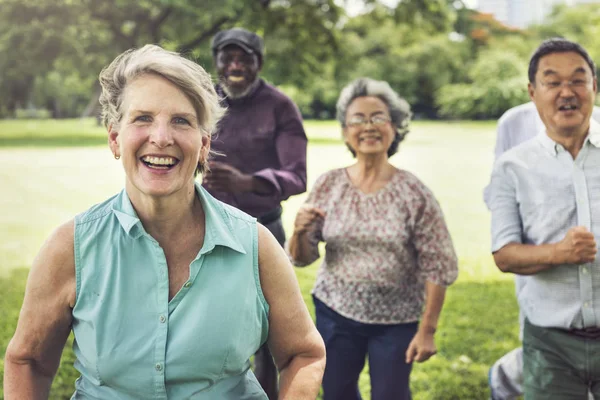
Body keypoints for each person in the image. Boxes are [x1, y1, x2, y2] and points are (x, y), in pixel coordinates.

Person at [3, 44, 325, 399]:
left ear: (203, 145)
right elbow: (29, 361)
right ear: (115, 138)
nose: (161, 137)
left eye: (181, 120)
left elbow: (303, 353)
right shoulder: (71, 247)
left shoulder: (255, 246)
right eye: (142, 118)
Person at [287, 77, 459, 400]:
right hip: (335, 312)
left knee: (390, 395)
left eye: (378, 117)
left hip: (397, 320)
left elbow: (440, 265)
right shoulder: (329, 184)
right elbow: (301, 257)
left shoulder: (414, 193)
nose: (369, 126)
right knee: (336, 392)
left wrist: (427, 330)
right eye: (358, 119)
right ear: (345, 132)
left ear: (394, 127)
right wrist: (298, 232)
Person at [488, 38, 600, 399]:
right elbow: (504, 255)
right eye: (553, 82)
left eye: (578, 80)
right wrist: (560, 253)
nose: (567, 91)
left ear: (594, 87)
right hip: (549, 342)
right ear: (532, 92)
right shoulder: (513, 167)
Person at [202, 27, 308, 399]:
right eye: (227, 57)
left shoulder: (280, 106)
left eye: (244, 58)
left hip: (263, 233)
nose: (235, 65)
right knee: (206, 325)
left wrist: (248, 182)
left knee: (267, 330)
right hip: (203, 234)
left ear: (258, 62)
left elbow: (297, 175)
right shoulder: (201, 101)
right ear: (215, 61)